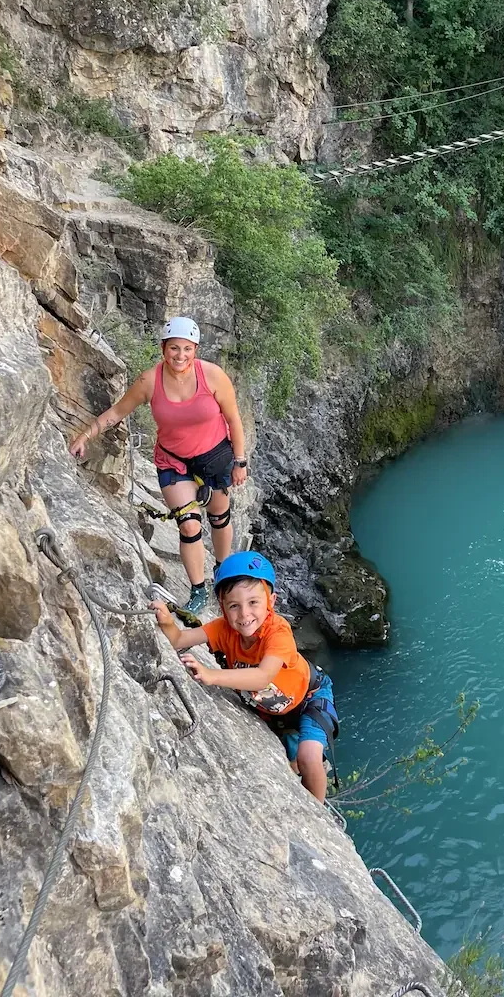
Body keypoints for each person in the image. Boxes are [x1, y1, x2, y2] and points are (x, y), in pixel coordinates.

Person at [69, 315, 248, 615]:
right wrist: (86, 435)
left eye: (187, 349)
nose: (180, 355)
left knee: (219, 517)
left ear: (196, 350)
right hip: (173, 461)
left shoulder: (213, 376)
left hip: (215, 457)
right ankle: (197, 590)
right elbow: (117, 412)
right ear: (164, 348)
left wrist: (240, 462)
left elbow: (234, 420)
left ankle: (221, 570)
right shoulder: (150, 381)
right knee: (189, 525)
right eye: (174, 348)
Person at [150, 551, 338, 802]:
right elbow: (179, 640)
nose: (244, 614)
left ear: (271, 601)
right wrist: (166, 622)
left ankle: (318, 814)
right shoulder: (223, 629)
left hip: (309, 699)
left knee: (308, 757)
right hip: (275, 708)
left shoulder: (278, 632)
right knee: (293, 761)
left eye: (253, 603)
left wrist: (211, 675)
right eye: (234, 606)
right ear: (223, 607)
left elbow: (263, 677)